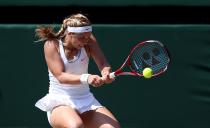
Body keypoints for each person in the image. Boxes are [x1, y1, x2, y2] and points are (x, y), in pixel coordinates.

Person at [34, 13, 121, 128]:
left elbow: (103, 63)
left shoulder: (89, 40)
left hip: (86, 100)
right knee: (76, 126)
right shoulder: (51, 44)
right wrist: (87, 77)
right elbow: (61, 76)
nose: (86, 40)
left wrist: (106, 73)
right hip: (59, 101)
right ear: (70, 33)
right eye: (82, 37)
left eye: (88, 36)